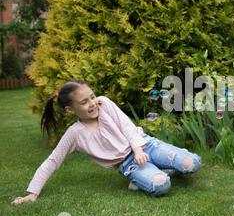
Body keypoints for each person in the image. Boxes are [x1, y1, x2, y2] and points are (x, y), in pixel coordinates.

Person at [12, 80, 201, 204]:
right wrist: (33, 193)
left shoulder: (104, 103)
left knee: (192, 163)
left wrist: (137, 149)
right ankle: (139, 178)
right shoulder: (75, 134)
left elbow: (127, 126)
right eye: (84, 102)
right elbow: (52, 161)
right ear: (70, 110)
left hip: (145, 145)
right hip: (129, 164)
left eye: (92, 97)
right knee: (161, 185)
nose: (92, 103)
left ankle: (166, 163)